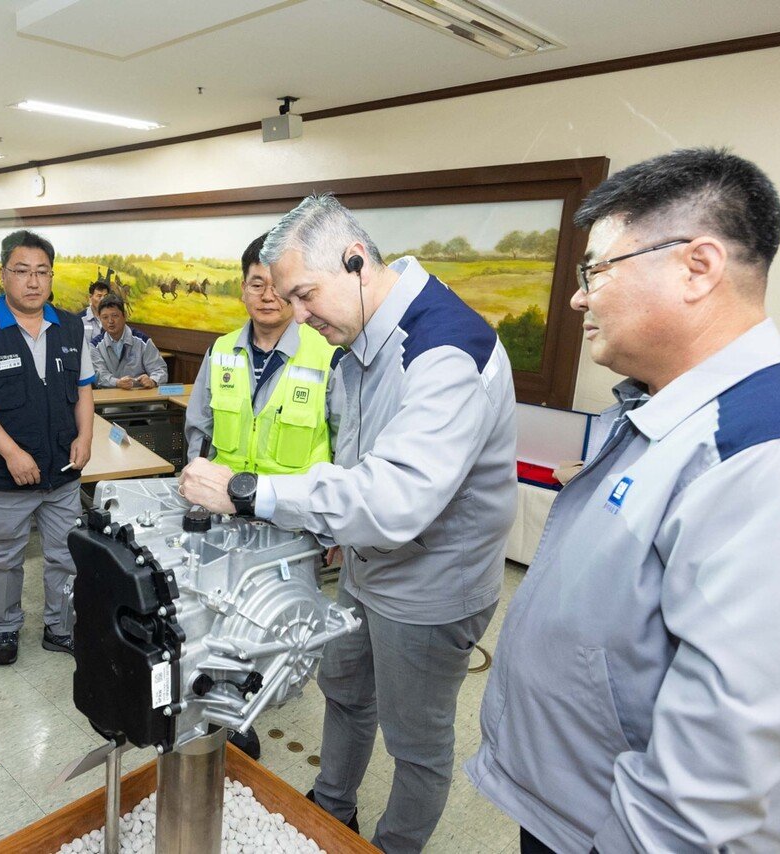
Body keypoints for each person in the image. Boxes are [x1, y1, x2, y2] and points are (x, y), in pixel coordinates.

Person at [467, 149, 780, 854]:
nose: (580, 296)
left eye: (597, 270)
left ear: (697, 268)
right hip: (575, 804)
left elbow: (720, 771)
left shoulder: (759, 452)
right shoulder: (663, 411)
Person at [179, 195, 516, 853]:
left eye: (305, 295)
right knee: (345, 692)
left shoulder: (444, 349)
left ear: (356, 261)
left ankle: (392, 845)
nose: (299, 315)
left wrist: (249, 491)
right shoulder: (358, 339)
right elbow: (352, 455)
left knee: (415, 737)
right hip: (365, 567)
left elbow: (394, 498)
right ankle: (333, 809)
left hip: (429, 588)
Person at [0, 230, 94, 666]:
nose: (33, 282)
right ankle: (6, 628)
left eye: (42, 272)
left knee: (65, 554)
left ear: (51, 276)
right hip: (4, 473)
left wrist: (85, 437)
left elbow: (85, 389)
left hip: (62, 470)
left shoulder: (70, 326)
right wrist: (11, 452)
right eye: (22, 272)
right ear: (2, 275)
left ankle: (60, 626)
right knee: (5, 557)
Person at [183, 233, 343, 468]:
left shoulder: (329, 356)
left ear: (293, 290)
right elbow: (200, 429)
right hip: (223, 498)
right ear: (243, 289)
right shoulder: (219, 351)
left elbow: (345, 444)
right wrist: (199, 480)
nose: (268, 296)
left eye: (277, 286)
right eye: (257, 285)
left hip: (295, 502)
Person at [90, 294, 168, 389]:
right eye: (105, 317)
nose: (110, 321)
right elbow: (99, 376)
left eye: (115, 316)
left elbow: (160, 370)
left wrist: (153, 380)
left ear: (125, 316)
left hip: (139, 396)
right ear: (100, 319)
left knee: (157, 404)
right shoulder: (95, 345)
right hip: (109, 399)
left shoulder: (142, 341)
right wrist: (117, 382)